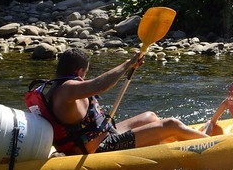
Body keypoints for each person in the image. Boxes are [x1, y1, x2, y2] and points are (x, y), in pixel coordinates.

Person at [28, 48, 206, 154]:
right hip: (98, 147)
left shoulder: (56, 87)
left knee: (150, 117)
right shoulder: (67, 89)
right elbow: (99, 85)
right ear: (79, 71)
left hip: (103, 135)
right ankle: (214, 144)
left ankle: (169, 149)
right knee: (171, 125)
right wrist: (128, 63)